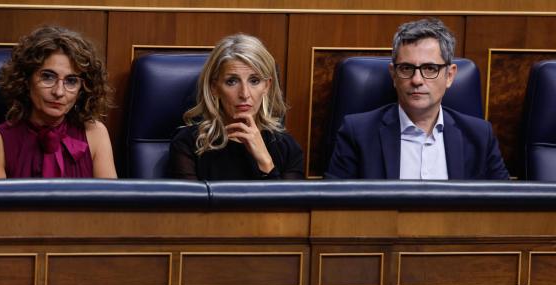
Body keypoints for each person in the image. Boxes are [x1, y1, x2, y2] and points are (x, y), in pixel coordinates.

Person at [326, 18, 509, 180]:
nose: (417, 80)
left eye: (430, 68)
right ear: (393, 74)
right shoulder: (357, 133)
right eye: (406, 68)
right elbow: (334, 207)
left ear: (450, 76)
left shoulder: (479, 136)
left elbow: (503, 207)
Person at [0, 25, 117, 178]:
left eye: (71, 81)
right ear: (26, 80)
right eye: (48, 77)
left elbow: (109, 201)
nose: (59, 92)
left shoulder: (95, 134)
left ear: (82, 89)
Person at [167, 34, 304, 180]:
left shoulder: (287, 148)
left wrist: (266, 162)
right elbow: (190, 202)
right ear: (214, 87)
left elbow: (287, 203)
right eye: (232, 81)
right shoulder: (188, 143)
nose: (244, 94)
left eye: (254, 80)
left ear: (267, 86)